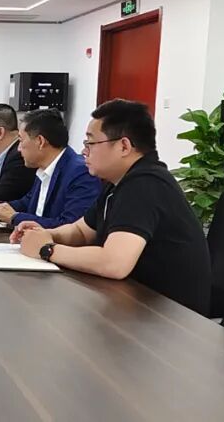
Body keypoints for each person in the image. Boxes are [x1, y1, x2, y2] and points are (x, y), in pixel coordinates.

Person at [16, 99, 211, 315]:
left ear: (124, 146)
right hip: (134, 301)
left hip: (170, 316)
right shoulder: (117, 183)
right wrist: (46, 234)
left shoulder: (146, 184)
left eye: (90, 143)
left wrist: (47, 249)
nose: (83, 151)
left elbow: (114, 263)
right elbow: (81, 231)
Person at [0, 109, 101, 228]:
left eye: (21, 141)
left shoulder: (81, 172)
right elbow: (27, 203)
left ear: (40, 141)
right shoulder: (43, 167)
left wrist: (15, 217)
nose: (19, 149)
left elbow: (69, 226)